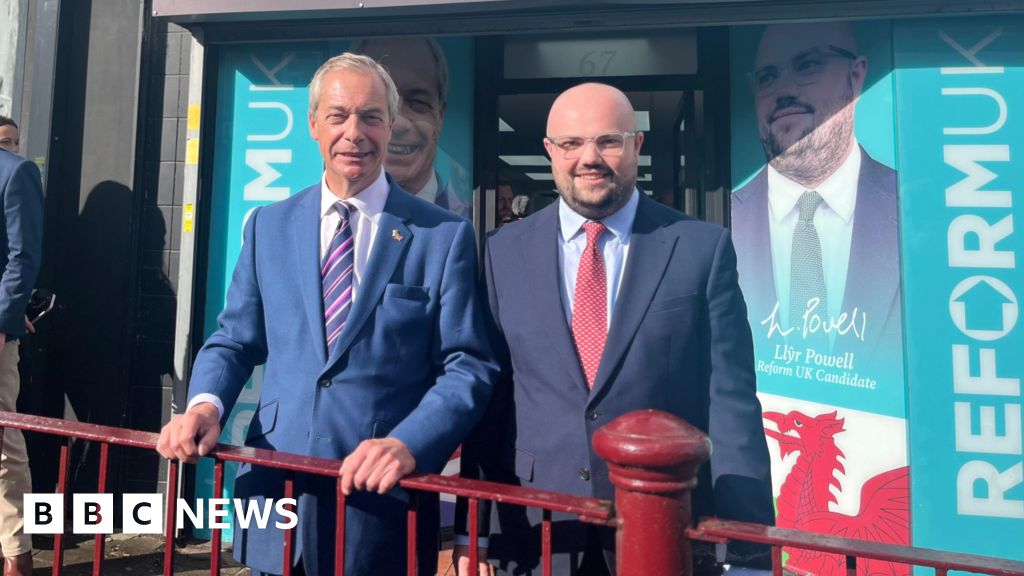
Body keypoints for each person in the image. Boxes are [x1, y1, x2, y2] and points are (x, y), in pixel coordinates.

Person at [156, 53, 496, 576]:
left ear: (390, 123)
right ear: (314, 124)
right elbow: (235, 340)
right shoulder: (267, 226)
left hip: (382, 500)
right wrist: (205, 405)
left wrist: (409, 444)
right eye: (338, 116)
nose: (354, 133)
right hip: (277, 490)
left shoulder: (442, 236)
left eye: (371, 116)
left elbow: (468, 366)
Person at [456, 83, 774, 576]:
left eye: (608, 140)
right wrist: (471, 530)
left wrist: (749, 551)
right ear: (549, 152)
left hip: (664, 528)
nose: (590, 158)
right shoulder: (503, 251)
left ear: (637, 145)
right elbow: (491, 402)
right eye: (571, 143)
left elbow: (731, 405)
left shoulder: (700, 250)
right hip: (538, 530)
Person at [731, 22, 901, 365]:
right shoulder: (721, 220)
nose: (783, 90)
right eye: (766, 77)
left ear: (856, 76)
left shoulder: (915, 209)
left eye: (807, 65)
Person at [354, 37, 471, 218]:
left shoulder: (464, 224)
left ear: (441, 116)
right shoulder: (330, 222)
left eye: (417, 102)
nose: (398, 124)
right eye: (378, 105)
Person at [0, 129, 44, 576]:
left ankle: (17, 553)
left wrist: (2, 319)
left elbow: (23, 257)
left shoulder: (15, 171)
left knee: (2, 443)